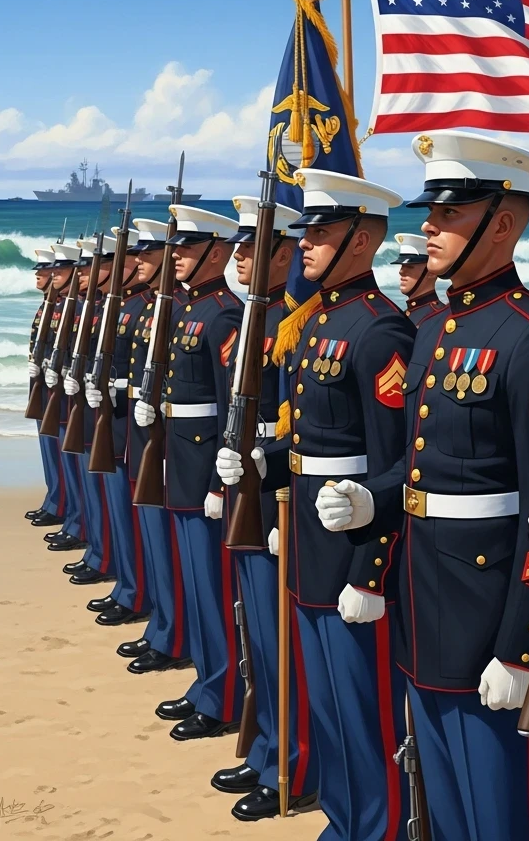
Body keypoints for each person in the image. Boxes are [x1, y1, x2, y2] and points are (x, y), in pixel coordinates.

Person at [316, 132, 529, 841]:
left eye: (450, 212)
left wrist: (522, 643)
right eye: (430, 210)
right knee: (445, 794)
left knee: (501, 810)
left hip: (490, 605)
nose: (428, 225)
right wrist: (374, 502)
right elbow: (421, 465)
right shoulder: (434, 328)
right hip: (425, 592)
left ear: (502, 223)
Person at [217, 169, 414, 841]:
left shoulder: (382, 330)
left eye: (323, 232)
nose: (305, 244)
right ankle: (345, 819)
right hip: (305, 537)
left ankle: (379, 828)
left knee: (365, 712)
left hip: (352, 552)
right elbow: (305, 441)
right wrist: (262, 465)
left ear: (362, 240)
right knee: (328, 706)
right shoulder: (318, 321)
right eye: (307, 231)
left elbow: (394, 468)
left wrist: (370, 572)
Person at [211, 195, 318, 820]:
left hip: (278, 497)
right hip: (247, 489)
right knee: (260, 632)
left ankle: (294, 764)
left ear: (285, 255)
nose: (240, 258)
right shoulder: (256, 319)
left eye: (255, 248)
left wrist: (262, 470)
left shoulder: (292, 324)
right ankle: (269, 749)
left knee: (286, 643)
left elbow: (296, 426)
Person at [134, 206, 244, 740]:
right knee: (196, 586)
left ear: (216, 253)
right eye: (174, 247)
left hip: (204, 472)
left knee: (213, 589)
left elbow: (230, 413)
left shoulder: (222, 313)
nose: (175, 255)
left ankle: (223, 694)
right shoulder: (188, 308)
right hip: (179, 458)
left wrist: (221, 484)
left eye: (187, 247)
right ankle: (206, 680)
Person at [117, 219, 194, 676]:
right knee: (155, 541)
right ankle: (163, 627)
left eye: (149, 255)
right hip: (147, 433)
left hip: (180, 446)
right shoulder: (151, 308)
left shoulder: (191, 309)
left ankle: (171, 634)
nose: (141, 261)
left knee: (174, 552)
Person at [83, 226, 151, 627]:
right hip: (119, 419)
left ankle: (137, 594)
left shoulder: (146, 306)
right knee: (122, 517)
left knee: (137, 523)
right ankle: (128, 587)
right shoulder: (123, 305)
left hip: (137, 426)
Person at [60, 235, 116, 588]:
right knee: (94, 490)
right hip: (93, 407)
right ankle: (96, 549)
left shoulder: (122, 308)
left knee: (122, 513)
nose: (84, 274)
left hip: (126, 424)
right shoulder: (87, 307)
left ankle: (119, 575)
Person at [42, 242, 89, 555]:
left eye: (60, 268)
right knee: (59, 454)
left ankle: (78, 524)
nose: (49, 275)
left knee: (82, 469)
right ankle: (63, 508)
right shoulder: (58, 305)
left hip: (85, 400)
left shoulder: (89, 307)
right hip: (59, 389)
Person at [26, 247, 67, 528]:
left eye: (46, 270)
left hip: (59, 389)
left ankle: (61, 505)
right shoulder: (49, 304)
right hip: (43, 384)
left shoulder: (65, 306)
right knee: (48, 448)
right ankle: (54, 500)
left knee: (60, 449)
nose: (40, 275)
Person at [390, 232, 442, 324]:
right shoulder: (404, 315)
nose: (401, 272)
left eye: (410, 267)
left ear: (431, 272)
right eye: (402, 266)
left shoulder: (439, 318)